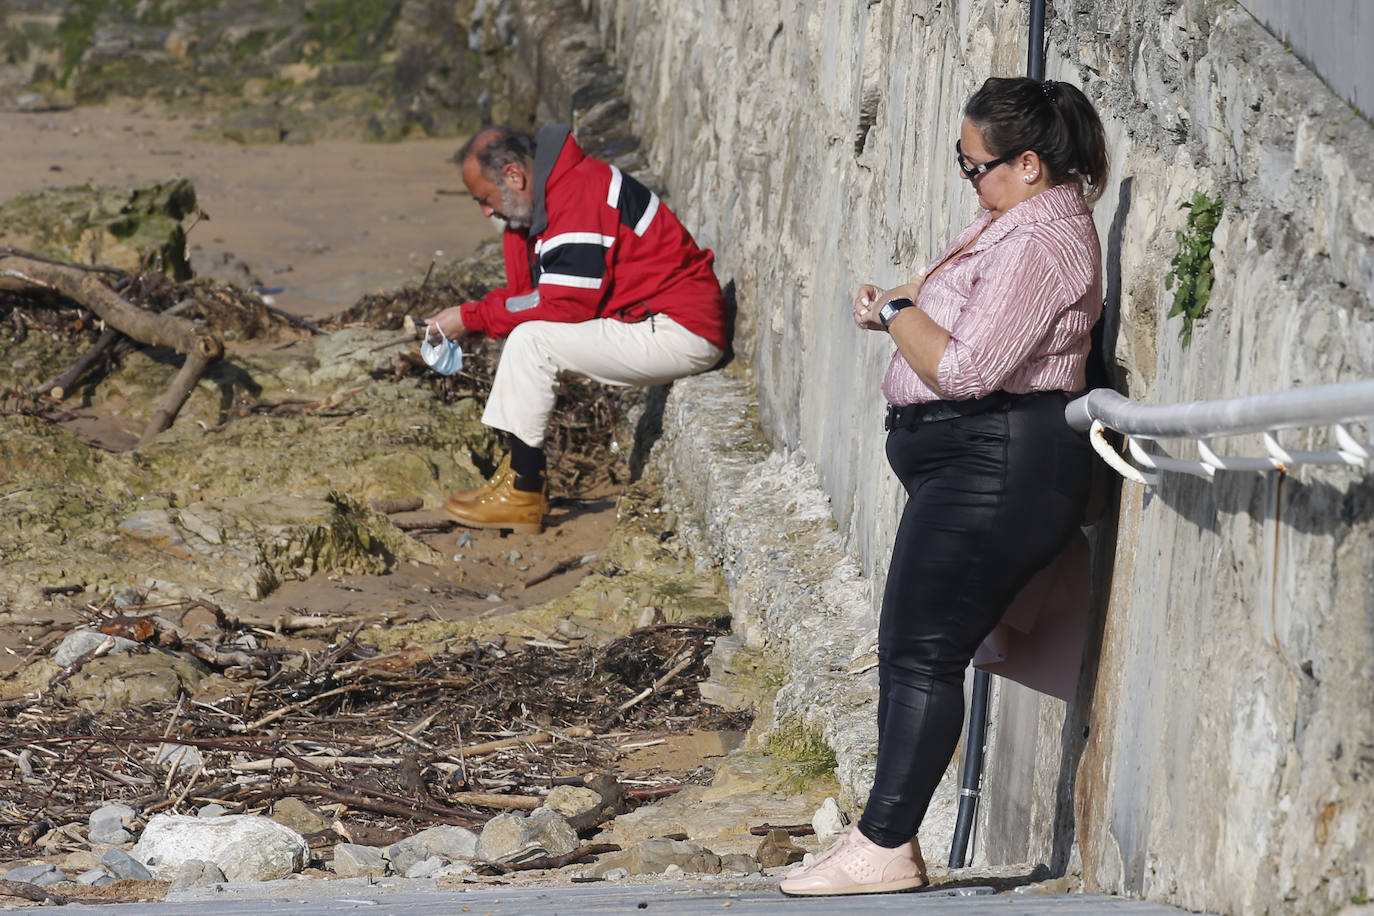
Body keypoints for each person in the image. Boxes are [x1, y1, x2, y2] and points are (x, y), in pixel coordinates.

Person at [778, 76, 1110, 897]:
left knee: (923, 652)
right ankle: (882, 840)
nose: (969, 178)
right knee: (911, 649)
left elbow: (968, 367)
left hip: (993, 466)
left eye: (976, 166)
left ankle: (886, 845)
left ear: (1028, 163)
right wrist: (899, 302)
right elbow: (965, 315)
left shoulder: (1042, 239)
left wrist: (897, 313)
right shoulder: (1015, 223)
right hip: (971, 464)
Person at [424, 125, 728, 534]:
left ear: (514, 176)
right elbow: (528, 295)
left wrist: (471, 316)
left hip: (682, 330)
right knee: (529, 336)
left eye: (484, 199)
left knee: (533, 342)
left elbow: (563, 304)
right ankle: (518, 480)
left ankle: (523, 491)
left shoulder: (580, 193)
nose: (485, 211)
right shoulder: (557, 192)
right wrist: (516, 233)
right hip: (654, 319)